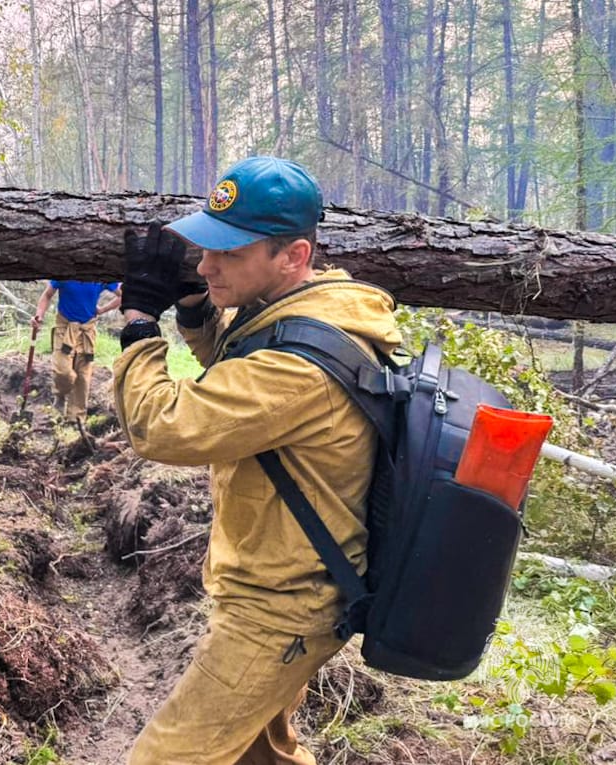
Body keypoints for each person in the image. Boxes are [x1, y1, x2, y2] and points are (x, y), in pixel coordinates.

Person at [112, 156, 402, 764]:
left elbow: (165, 427)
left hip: (280, 608)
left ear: (292, 256)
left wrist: (140, 326)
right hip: (286, 587)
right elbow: (243, 372)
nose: (205, 263)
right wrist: (196, 309)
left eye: (228, 254)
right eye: (206, 249)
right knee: (259, 755)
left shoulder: (300, 366)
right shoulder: (307, 311)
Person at [31, 279, 121, 421]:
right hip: (64, 328)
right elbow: (47, 295)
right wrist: (39, 315)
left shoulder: (99, 277)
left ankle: (76, 420)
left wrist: (103, 309)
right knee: (63, 371)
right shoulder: (66, 273)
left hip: (87, 331)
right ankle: (60, 396)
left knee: (82, 377)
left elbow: (124, 295)